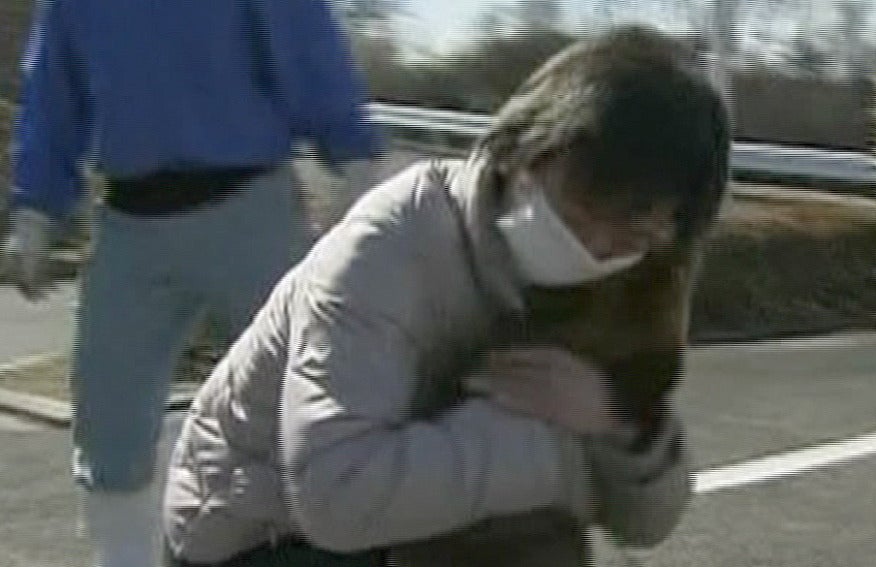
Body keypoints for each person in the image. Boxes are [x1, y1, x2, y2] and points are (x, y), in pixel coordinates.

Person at [162, 25, 731, 567]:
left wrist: (608, 423)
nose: (602, 249)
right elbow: (335, 498)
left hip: (424, 509)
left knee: (536, 541)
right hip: (256, 528)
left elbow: (649, 519)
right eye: (586, 211)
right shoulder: (389, 243)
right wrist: (563, 445)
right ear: (525, 151)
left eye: (635, 232)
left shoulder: (642, 276)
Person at [2, 0, 383, 565]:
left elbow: (305, 42)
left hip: (251, 209)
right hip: (131, 222)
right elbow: (53, 100)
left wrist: (350, 156)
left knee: (305, 400)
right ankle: (124, 557)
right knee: (107, 417)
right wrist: (35, 211)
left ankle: (335, 550)